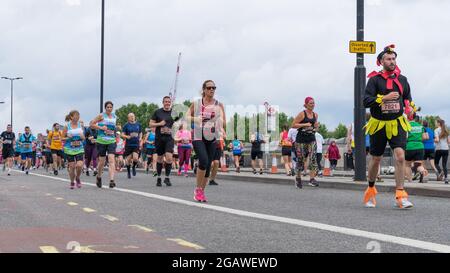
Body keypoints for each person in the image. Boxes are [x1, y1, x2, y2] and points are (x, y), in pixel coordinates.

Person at [363, 44, 416, 208]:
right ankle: (371, 190)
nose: (392, 61)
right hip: (378, 124)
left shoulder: (402, 79)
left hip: (397, 123)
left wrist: (410, 108)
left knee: (400, 156)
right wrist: (383, 98)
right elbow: (366, 101)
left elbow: (408, 98)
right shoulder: (374, 80)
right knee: (376, 158)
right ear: (381, 61)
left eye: (394, 59)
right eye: (388, 59)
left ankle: (400, 196)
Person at [188, 80, 226, 202]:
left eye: (214, 88)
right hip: (198, 135)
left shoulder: (219, 105)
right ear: (204, 89)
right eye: (209, 88)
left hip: (212, 136)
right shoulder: (197, 103)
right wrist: (196, 119)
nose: (212, 90)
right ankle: (198, 189)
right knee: (203, 161)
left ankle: (201, 191)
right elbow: (186, 116)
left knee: (208, 165)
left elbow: (224, 122)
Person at [291, 97, 319, 188]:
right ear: (306, 105)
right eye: (311, 103)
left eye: (313, 103)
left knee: (313, 158)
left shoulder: (315, 115)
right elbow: (293, 125)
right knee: (300, 160)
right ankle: (298, 178)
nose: (313, 105)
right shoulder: (302, 114)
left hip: (311, 138)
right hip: (301, 140)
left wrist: (316, 127)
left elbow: (315, 128)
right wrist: (304, 124)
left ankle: (311, 179)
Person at [149, 96, 177, 187]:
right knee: (160, 158)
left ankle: (167, 178)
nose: (167, 103)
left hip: (169, 138)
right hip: (159, 138)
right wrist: (159, 124)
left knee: (169, 157)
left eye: (169, 102)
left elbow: (178, 124)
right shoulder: (157, 112)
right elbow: (150, 124)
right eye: (166, 102)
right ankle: (159, 178)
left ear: (170, 103)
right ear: (163, 102)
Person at [90, 101, 117, 188]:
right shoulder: (101, 115)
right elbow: (91, 124)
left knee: (111, 159)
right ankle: (99, 176)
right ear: (105, 108)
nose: (109, 108)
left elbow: (113, 127)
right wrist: (101, 127)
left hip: (111, 140)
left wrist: (115, 129)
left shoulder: (114, 116)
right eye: (108, 107)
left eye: (110, 107)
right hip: (101, 141)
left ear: (112, 108)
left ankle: (112, 180)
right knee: (102, 161)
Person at [63, 110, 85, 189]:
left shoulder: (80, 125)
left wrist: (82, 136)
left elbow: (83, 138)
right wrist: (67, 137)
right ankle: (72, 182)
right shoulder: (67, 126)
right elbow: (62, 138)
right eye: (76, 115)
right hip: (69, 148)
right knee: (72, 167)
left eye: (78, 115)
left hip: (79, 148)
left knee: (79, 165)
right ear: (71, 117)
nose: (77, 117)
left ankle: (77, 178)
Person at [405, 114, 428, 183]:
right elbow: (424, 137)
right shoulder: (421, 126)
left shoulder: (407, 125)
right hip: (420, 146)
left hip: (410, 146)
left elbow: (405, 137)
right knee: (418, 165)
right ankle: (423, 172)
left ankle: (410, 180)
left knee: (407, 165)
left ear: (408, 118)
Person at [122, 113, 142, 179]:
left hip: (136, 144)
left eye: (133, 116)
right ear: (128, 118)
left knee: (136, 158)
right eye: (130, 116)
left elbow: (141, 132)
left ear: (134, 116)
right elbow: (122, 134)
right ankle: (128, 172)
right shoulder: (126, 125)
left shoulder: (138, 124)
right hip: (128, 145)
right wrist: (126, 136)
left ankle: (133, 167)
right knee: (128, 160)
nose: (132, 117)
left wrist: (140, 138)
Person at [434, 119, 449, 184]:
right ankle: (446, 179)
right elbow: (449, 141)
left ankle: (440, 172)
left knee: (436, 163)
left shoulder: (436, 130)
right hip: (446, 149)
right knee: (444, 165)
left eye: (436, 122)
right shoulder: (446, 130)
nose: (436, 124)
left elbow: (437, 140)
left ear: (439, 123)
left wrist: (434, 140)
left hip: (439, 149)